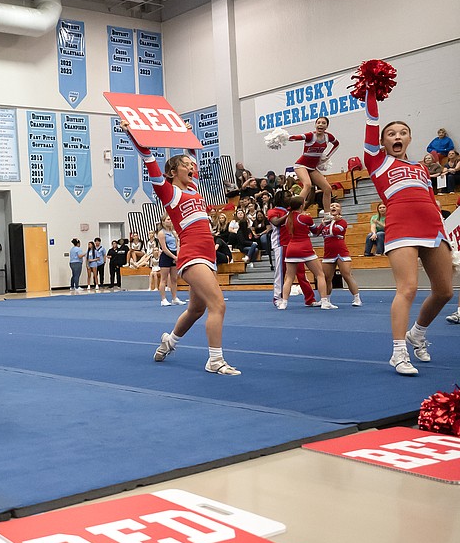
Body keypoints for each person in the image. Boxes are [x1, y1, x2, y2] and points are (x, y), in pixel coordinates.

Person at [124, 130, 239, 375]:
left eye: (191, 165)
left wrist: (186, 136)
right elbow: (147, 158)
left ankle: (169, 341)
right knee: (218, 305)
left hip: (207, 255)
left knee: (196, 309)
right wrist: (131, 133)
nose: (191, 167)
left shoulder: (193, 187)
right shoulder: (168, 192)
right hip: (192, 254)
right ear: (173, 173)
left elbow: (193, 154)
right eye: (185, 165)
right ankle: (215, 360)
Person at [361, 77, 453, 375]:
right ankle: (399, 352)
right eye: (391, 134)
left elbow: (431, 200)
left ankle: (418, 333)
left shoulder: (421, 168)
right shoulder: (377, 162)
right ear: (383, 141)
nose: (396, 136)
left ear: (410, 139)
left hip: (433, 227)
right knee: (408, 288)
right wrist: (371, 93)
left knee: (445, 291)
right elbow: (372, 121)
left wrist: (447, 235)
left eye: (402, 132)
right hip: (401, 226)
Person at [276, 195, 333, 310]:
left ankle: (284, 302)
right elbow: (316, 232)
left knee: (289, 278)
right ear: (302, 205)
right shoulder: (305, 218)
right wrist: (323, 223)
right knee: (320, 274)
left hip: (291, 249)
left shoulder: (287, 218)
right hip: (305, 248)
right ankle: (324, 301)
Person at [267, 189, 317, 307]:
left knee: (301, 273)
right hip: (280, 244)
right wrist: (290, 214)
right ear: (280, 198)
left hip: (293, 244)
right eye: (287, 196)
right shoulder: (273, 211)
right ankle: (277, 297)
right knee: (281, 272)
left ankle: (310, 299)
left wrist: (312, 189)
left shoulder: (292, 210)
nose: (290, 197)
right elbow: (276, 222)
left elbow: (306, 202)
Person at [289, 117, 340, 216]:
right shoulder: (310, 136)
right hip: (301, 165)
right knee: (307, 185)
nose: (320, 124)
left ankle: (327, 214)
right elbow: (295, 137)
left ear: (326, 126)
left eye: (323, 123)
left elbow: (337, 144)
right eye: (318, 123)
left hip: (312, 168)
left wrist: (327, 156)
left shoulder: (328, 137)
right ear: (315, 125)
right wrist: (284, 137)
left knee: (327, 189)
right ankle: (296, 210)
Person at [320, 201, 362, 307]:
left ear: (340, 210)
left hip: (341, 252)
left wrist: (333, 221)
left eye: (336, 206)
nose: (333, 206)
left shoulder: (342, 222)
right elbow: (316, 232)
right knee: (327, 278)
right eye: (331, 206)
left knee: (346, 275)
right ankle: (326, 300)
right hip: (328, 253)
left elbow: (335, 232)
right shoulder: (326, 222)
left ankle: (357, 298)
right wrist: (322, 224)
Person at [157, 217, 185, 306]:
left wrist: (177, 254)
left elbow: (178, 244)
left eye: (170, 219)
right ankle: (163, 299)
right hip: (166, 256)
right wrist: (173, 256)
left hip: (174, 255)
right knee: (164, 279)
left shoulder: (173, 232)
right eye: (168, 219)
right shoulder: (161, 233)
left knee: (174, 279)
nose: (170, 221)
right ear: (163, 222)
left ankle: (174, 298)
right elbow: (164, 248)